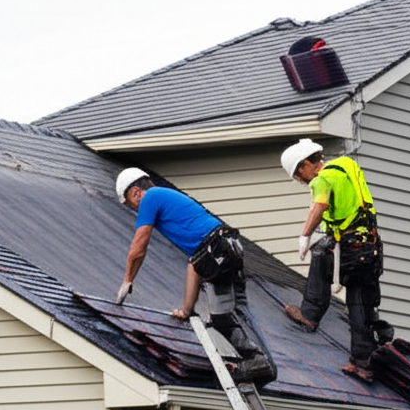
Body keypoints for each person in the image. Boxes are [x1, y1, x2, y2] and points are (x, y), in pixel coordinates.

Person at [114, 168, 276, 386]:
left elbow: (139, 245)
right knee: (237, 311)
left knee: (220, 317)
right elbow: (195, 265)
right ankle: (263, 365)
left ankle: (257, 363)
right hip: (225, 247)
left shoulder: (150, 197)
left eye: (129, 205)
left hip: (216, 249)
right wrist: (186, 311)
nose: (134, 210)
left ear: (135, 193)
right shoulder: (168, 200)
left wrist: (128, 280)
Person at [280, 139, 390, 382]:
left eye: (301, 175)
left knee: (320, 254)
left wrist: (305, 235)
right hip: (370, 248)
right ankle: (363, 363)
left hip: (351, 246)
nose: (304, 181)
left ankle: (309, 314)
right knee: (360, 303)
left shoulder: (323, 179)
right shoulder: (347, 166)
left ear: (306, 165)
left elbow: (320, 204)